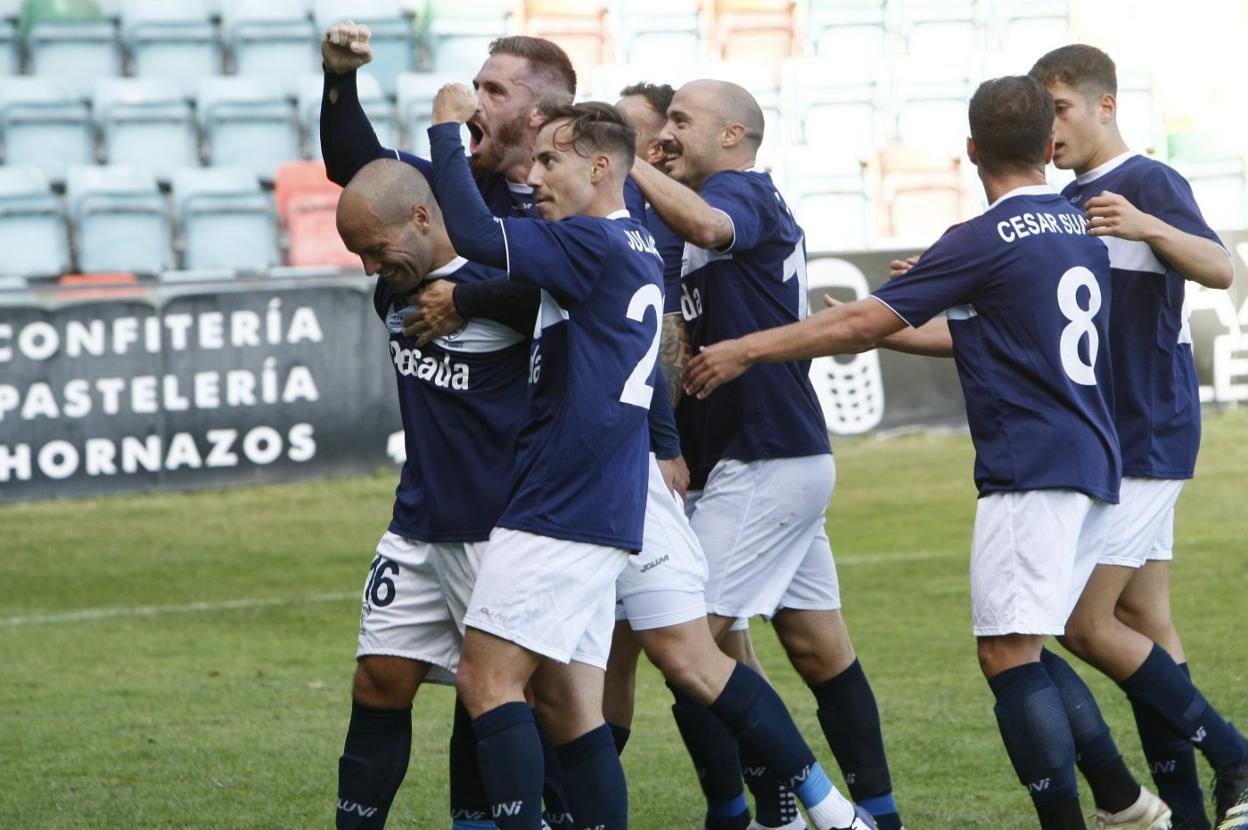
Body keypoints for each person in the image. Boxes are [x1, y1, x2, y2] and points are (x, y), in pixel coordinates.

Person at [683, 74, 1176, 830]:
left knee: (1010, 656)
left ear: (972, 150)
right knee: (1032, 645)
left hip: (1031, 467)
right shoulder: (1078, 229)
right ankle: (1126, 798)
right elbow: (992, 334)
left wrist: (748, 347)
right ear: (1049, 146)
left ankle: (1172, 784)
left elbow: (860, 328)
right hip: (1092, 456)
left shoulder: (981, 237)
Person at [430, 86, 880, 830]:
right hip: (627, 485)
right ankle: (832, 812)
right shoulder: (639, 244)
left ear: (602, 167)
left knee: (489, 679)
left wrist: (447, 131)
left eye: (550, 161)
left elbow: (477, 234)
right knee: (632, 680)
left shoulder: (590, 241)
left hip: (566, 492)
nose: (535, 176)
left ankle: (748, 808)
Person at [629, 78, 906, 830]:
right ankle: (877, 814)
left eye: (683, 120)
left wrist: (624, 160)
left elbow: (714, 228)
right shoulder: (688, 214)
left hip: (765, 459)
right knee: (818, 649)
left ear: (731, 136)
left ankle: (774, 810)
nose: (669, 132)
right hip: (768, 457)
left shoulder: (743, 193)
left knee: (683, 643)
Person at [1029, 44, 1246, 830]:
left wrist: (1149, 224)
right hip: (1108, 435)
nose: (1049, 128)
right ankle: (1192, 812)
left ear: (1104, 106)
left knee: (1083, 623)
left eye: (1059, 109)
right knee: (1146, 621)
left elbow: (1221, 269)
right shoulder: (1061, 202)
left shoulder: (1145, 181)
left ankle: (1234, 755)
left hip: (1148, 429)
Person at [332, 158, 531, 830]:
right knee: (378, 683)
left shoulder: (502, 287)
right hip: (416, 524)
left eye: (374, 249)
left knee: (497, 696)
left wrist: (471, 300)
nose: (367, 268)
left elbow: (586, 315)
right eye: (357, 254)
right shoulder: (395, 293)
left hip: (495, 528)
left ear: (422, 217)